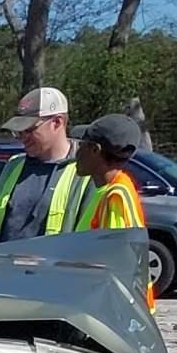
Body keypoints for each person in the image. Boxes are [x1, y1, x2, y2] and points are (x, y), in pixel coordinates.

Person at [0, 86, 81, 240]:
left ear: (57, 122)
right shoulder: (12, 167)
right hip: (3, 263)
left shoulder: (84, 173)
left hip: (52, 264)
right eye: (18, 132)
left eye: (29, 130)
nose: (22, 138)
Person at [66, 113, 153, 306]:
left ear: (95, 150)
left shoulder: (116, 196)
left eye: (81, 145)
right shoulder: (105, 190)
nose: (77, 153)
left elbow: (115, 265)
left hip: (116, 312)